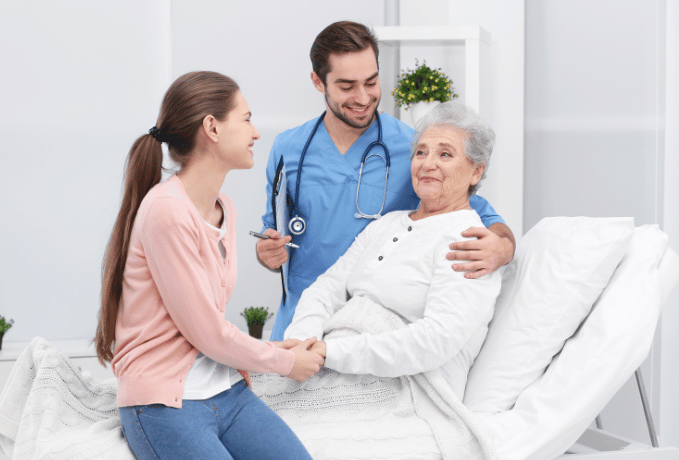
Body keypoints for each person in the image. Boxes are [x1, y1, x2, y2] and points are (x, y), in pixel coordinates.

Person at [252, 102, 503, 458]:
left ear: (476, 171)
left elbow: (435, 341)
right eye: (420, 152)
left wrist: (330, 353)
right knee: (233, 410)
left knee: (287, 444)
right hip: (330, 362)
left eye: (445, 154)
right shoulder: (387, 223)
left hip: (405, 386)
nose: (427, 163)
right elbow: (326, 288)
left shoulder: (471, 242)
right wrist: (302, 342)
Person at [93, 71, 322, 460]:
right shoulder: (166, 211)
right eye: (246, 119)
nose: (255, 133)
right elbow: (208, 333)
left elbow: (205, 325)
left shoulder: (224, 208)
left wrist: (268, 348)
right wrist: (285, 362)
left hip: (228, 392)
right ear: (212, 128)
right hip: (164, 404)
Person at [257, 21, 515, 341]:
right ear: (318, 82)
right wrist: (267, 253)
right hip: (299, 321)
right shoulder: (287, 149)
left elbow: (476, 212)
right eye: (347, 86)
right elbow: (274, 233)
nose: (363, 97)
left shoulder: (413, 149)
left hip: (368, 326)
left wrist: (502, 248)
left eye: (372, 81)